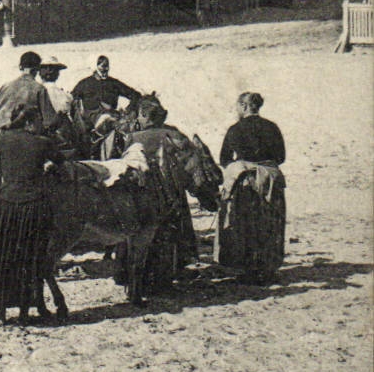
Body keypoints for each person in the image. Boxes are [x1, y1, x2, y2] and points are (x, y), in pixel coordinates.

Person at [0, 100, 61, 323]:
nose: (41, 125)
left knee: (3, 258)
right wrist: (46, 168)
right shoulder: (43, 143)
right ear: (29, 122)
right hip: (32, 205)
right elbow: (60, 163)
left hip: (4, 204)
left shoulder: (5, 139)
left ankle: (1, 311)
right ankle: (24, 313)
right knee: (30, 259)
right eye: (38, 121)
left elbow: (1, 170)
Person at [122, 100, 200, 292]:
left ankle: (138, 280)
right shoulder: (175, 135)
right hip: (172, 195)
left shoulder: (134, 138)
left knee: (142, 235)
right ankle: (166, 278)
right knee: (169, 236)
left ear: (144, 115)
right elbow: (191, 166)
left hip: (143, 195)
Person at [216, 92, 287, 284]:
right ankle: (268, 269)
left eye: (237, 106)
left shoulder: (235, 129)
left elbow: (224, 159)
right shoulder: (272, 127)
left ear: (244, 106)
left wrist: (243, 165)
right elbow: (281, 157)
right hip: (270, 182)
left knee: (245, 225)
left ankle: (247, 270)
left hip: (245, 182)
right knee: (270, 224)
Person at [0, 52, 58, 137]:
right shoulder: (39, 89)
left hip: (3, 137)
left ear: (20, 67)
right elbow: (51, 120)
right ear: (37, 69)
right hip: (28, 137)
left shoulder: (5, 86)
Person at [71, 55, 141, 121]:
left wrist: (129, 109)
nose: (106, 69)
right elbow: (71, 98)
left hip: (112, 117)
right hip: (90, 120)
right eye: (103, 66)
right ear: (96, 67)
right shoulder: (85, 83)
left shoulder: (113, 83)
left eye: (107, 66)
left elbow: (135, 95)